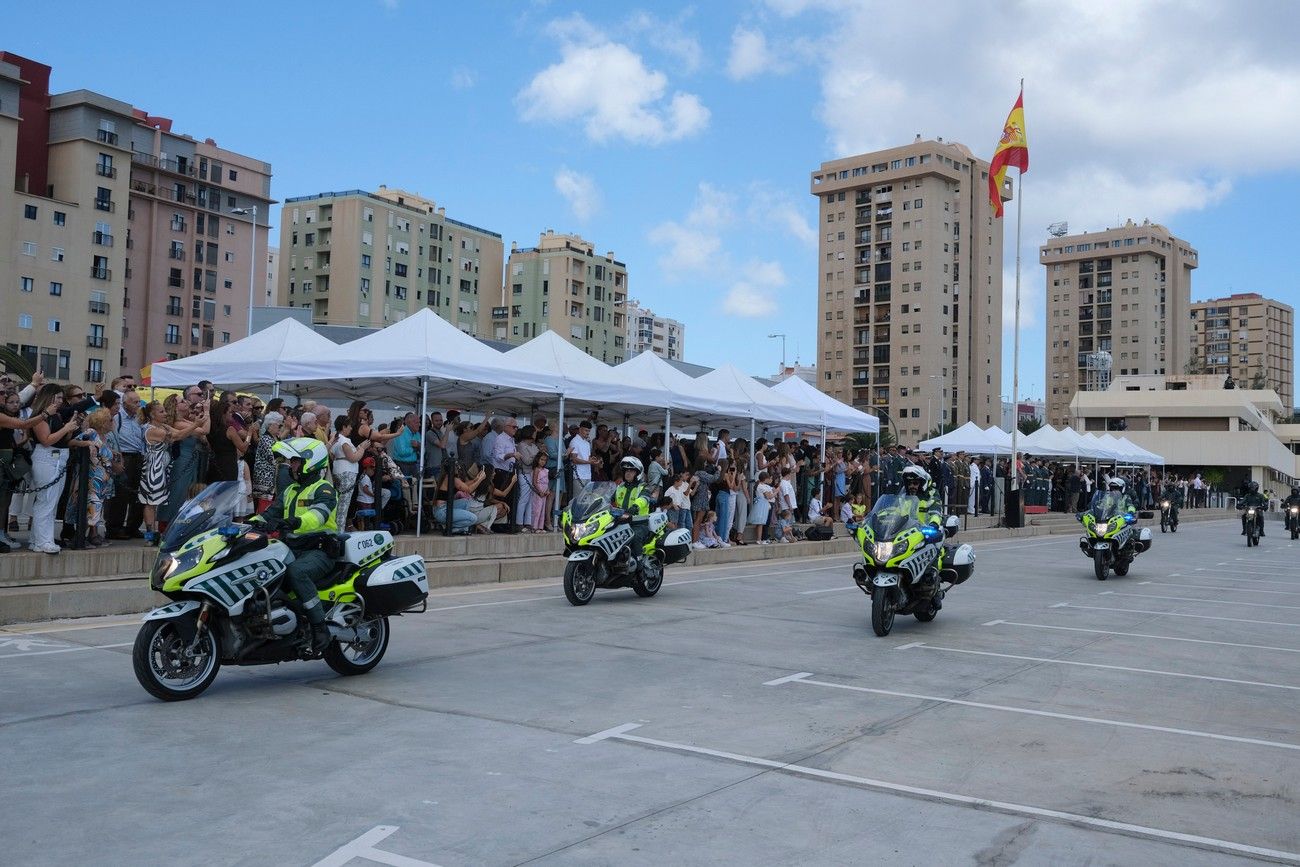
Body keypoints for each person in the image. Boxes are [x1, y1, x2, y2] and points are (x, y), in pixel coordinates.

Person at [252, 437, 338, 652]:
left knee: (296, 573)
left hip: (319, 549)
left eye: (296, 461)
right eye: (291, 462)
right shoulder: (290, 491)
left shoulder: (324, 489)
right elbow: (269, 514)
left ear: (311, 462)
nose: (291, 465)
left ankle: (320, 628)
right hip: (291, 547)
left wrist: (296, 521)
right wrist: (246, 525)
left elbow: (318, 516)